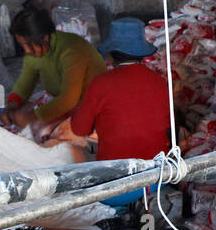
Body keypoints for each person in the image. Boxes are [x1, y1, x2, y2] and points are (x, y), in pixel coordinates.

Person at [69, 17, 172, 209]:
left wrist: (79, 109)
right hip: (157, 181)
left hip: (116, 188)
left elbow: (79, 129)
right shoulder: (160, 81)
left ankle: (123, 210)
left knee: (73, 158)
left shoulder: (101, 84)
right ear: (142, 53)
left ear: (111, 56)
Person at [2, 6, 106, 158]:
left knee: (64, 146)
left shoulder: (71, 50)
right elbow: (25, 83)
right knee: (37, 133)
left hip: (92, 107)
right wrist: (12, 106)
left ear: (44, 37)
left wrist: (31, 116)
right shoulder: (35, 53)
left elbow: (68, 99)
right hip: (69, 108)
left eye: (29, 45)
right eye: (22, 46)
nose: (27, 50)